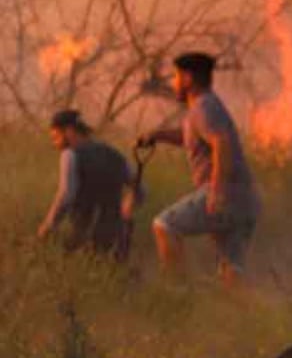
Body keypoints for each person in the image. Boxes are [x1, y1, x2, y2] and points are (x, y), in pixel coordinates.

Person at [138, 52, 260, 285]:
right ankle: (244, 318)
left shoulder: (203, 107)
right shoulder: (208, 106)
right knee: (230, 270)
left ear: (187, 78)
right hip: (245, 198)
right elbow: (192, 137)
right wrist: (157, 135)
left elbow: (220, 142)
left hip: (227, 193)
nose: (173, 83)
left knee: (165, 225)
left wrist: (217, 191)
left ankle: (177, 294)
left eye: (175, 76)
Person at [37, 109, 141, 256]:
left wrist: (47, 226)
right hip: (117, 235)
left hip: (85, 233)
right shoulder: (114, 154)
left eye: (55, 137)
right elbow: (140, 188)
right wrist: (126, 209)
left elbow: (66, 195)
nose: (54, 143)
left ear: (69, 131)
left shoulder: (70, 154)